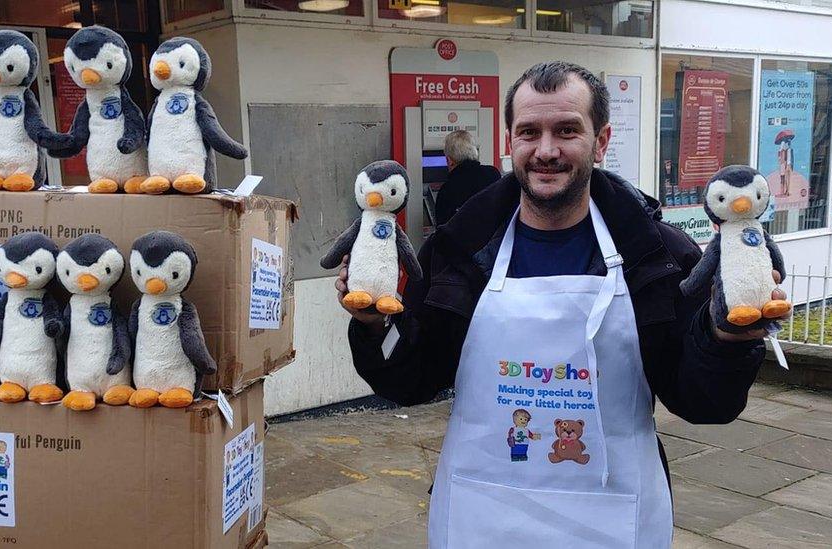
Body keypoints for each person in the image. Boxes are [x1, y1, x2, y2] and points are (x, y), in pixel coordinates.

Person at [335, 61, 789, 547]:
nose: (546, 150)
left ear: (602, 140)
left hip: (612, 516)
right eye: (529, 132)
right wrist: (370, 328)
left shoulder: (657, 256)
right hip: (483, 512)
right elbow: (410, 380)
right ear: (510, 142)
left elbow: (705, 403)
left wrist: (726, 342)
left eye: (567, 130)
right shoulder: (458, 252)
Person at [434, 130, 501, 226]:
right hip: (495, 239)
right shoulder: (493, 174)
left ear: (449, 160)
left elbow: (443, 231)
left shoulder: (447, 190)